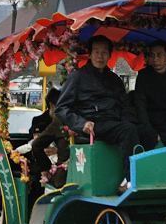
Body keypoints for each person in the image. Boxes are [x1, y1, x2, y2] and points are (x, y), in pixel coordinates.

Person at [55, 36, 141, 189]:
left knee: (141, 130)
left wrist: (131, 122)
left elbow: (126, 106)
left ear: (109, 55)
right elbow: (61, 108)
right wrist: (82, 124)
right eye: (96, 52)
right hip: (93, 125)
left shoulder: (114, 79)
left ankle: (141, 176)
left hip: (114, 123)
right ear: (90, 54)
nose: (100, 56)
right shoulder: (78, 77)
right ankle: (130, 179)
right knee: (129, 130)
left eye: (104, 53)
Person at [15, 88, 70, 208]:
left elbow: (37, 145)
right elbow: (34, 144)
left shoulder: (59, 120)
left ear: (51, 105)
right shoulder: (40, 120)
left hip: (62, 174)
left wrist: (47, 168)